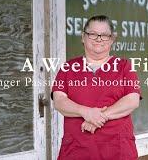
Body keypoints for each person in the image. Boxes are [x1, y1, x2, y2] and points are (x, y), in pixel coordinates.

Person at [51, 15, 142, 160]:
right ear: (83, 37)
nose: (98, 38)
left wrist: (98, 117)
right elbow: (59, 101)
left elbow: (132, 100)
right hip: (77, 150)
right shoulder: (67, 68)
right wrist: (85, 112)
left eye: (104, 35)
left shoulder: (124, 67)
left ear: (112, 39)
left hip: (117, 150)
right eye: (92, 34)